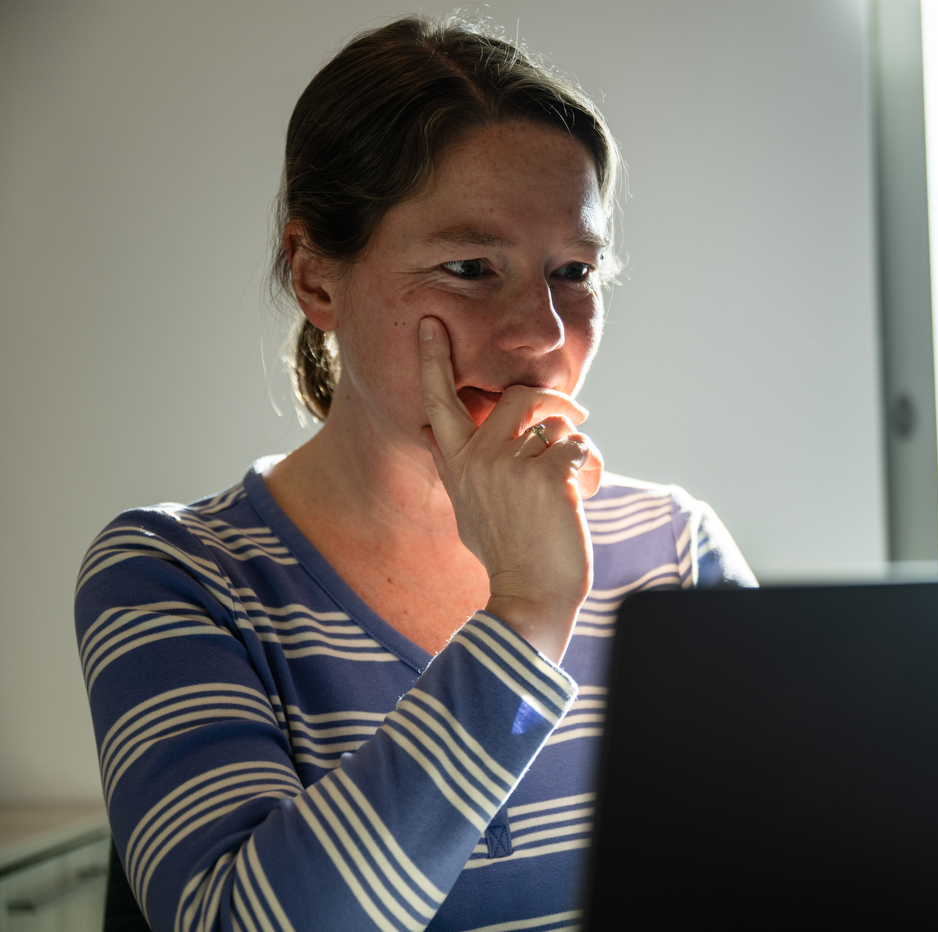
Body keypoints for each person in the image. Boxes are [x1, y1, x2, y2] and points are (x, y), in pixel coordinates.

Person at [75, 15, 755, 932]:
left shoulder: (672, 550)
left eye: (573, 270)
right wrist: (525, 615)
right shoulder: (178, 575)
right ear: (318, 279)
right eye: (472, 267)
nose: (544, 333)